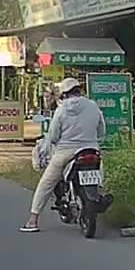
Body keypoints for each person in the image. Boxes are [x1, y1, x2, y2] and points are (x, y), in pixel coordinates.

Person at [21, 77, 106, 233]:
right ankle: (99, 196)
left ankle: (33, 220)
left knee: (46, 183)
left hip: (66, 152)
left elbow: (53, 136)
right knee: (99, 177)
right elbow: (102, 131)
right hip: (91, 150)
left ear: (64, 94)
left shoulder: (61, 110)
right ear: (79, 90)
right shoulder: (93, 106)